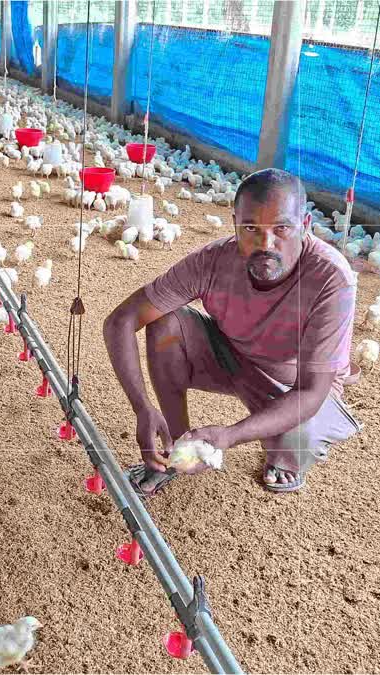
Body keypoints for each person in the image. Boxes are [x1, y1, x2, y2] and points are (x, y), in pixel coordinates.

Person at [102, 168, 361, 496]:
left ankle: (285, 458)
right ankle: (180, 449)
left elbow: (310, 392)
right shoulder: (212, 261)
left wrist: (229, 435)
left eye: (282, 228)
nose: (266, 243)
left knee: (298, 435)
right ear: (235, 223)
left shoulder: (331, 278)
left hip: (292, 382)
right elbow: (120, 321)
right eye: (251, 228)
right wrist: (142, 407)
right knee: (165, 325)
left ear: (305, 225)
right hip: (233, 354)